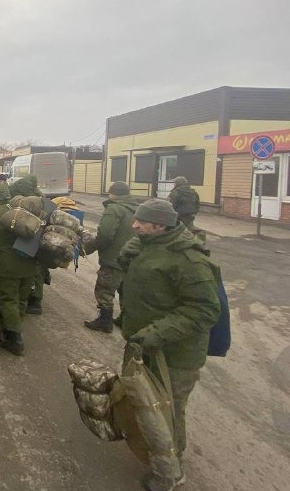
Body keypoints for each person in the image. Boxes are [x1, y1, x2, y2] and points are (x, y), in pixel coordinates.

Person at [119, 198, 220, 491]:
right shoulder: (149, 244)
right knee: (148, 405)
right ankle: (154, 450)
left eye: (141, 221)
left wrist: (154, 334)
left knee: (168, 411)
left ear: (160, 225)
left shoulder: (189, 259)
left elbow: (204, 309)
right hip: (147, 345)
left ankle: (170, 474)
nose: (135, 225)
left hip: (174, 354)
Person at [0, 182, 38, 355]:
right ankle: (16, 325)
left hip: (7, 267)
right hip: (29, 263)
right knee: (21, 298)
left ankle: (14, 339)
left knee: (8, 299)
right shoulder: (21, 210)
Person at [84, 181, 139, 332]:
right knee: (126, 290)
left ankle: (105, 321)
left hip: (114, 258)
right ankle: (125, 320)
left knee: (105, 289)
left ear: (112, 193)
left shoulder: (114, 208)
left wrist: (91, 246)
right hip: (132, 258)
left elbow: (105, 235)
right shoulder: (137, 209)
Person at [7, 175, 47, 314]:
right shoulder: (40, 197)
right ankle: (33, 296)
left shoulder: (27, 197)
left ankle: (35, 302)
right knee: (38, 268)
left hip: (33, 234)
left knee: (35, 269)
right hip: (40, 234)